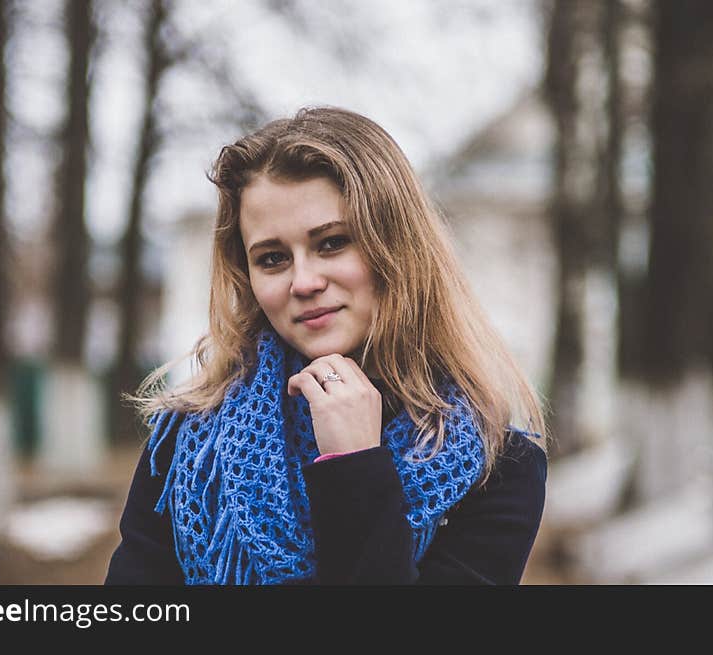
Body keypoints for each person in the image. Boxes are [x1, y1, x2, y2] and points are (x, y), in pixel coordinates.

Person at [105, 106, 548, 585]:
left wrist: (354, 466)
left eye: (332, 243)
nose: (304, 281)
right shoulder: (189, 446)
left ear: (396, 246)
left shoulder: (496, 465)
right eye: (272, 258)